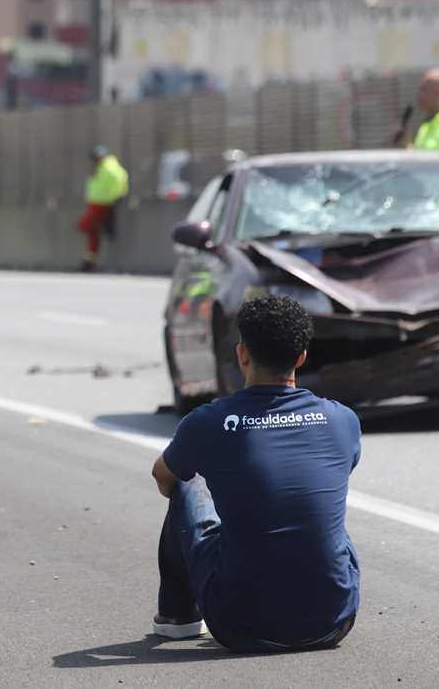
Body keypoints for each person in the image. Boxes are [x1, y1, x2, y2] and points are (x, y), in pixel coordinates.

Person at [150, 295, 361, 652]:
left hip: (239, 627)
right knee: (316, 506)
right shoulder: (342, 419)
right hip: (335, 623)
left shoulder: (209, 421)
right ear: (301, 357)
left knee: (189, 482)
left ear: (242, 354)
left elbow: (163, 477)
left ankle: (178, 617)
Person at [77, 145, 129, 272]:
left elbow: (120, 181)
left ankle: (90, 259)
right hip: (97, 203)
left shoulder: (109, 167)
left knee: (84, 225)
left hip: (103, 203)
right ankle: (89, 259)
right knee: (92, 233)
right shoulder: (102, 167)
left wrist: (117, 196)